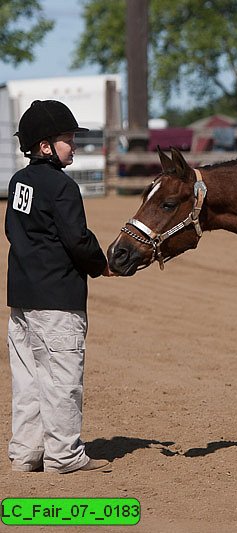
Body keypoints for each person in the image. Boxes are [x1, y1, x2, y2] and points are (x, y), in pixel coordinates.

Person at [5, 100, 112, 473]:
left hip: (22, 298)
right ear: (46, 145)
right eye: (68, 139)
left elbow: (13, 233)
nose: (75, 146)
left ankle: (26, 452)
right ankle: (64, 456)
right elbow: (77, 240)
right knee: (62, 378)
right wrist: (103, 265)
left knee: (29, 379)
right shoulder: (62, 187)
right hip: (57, 301)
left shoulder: (19, 182)